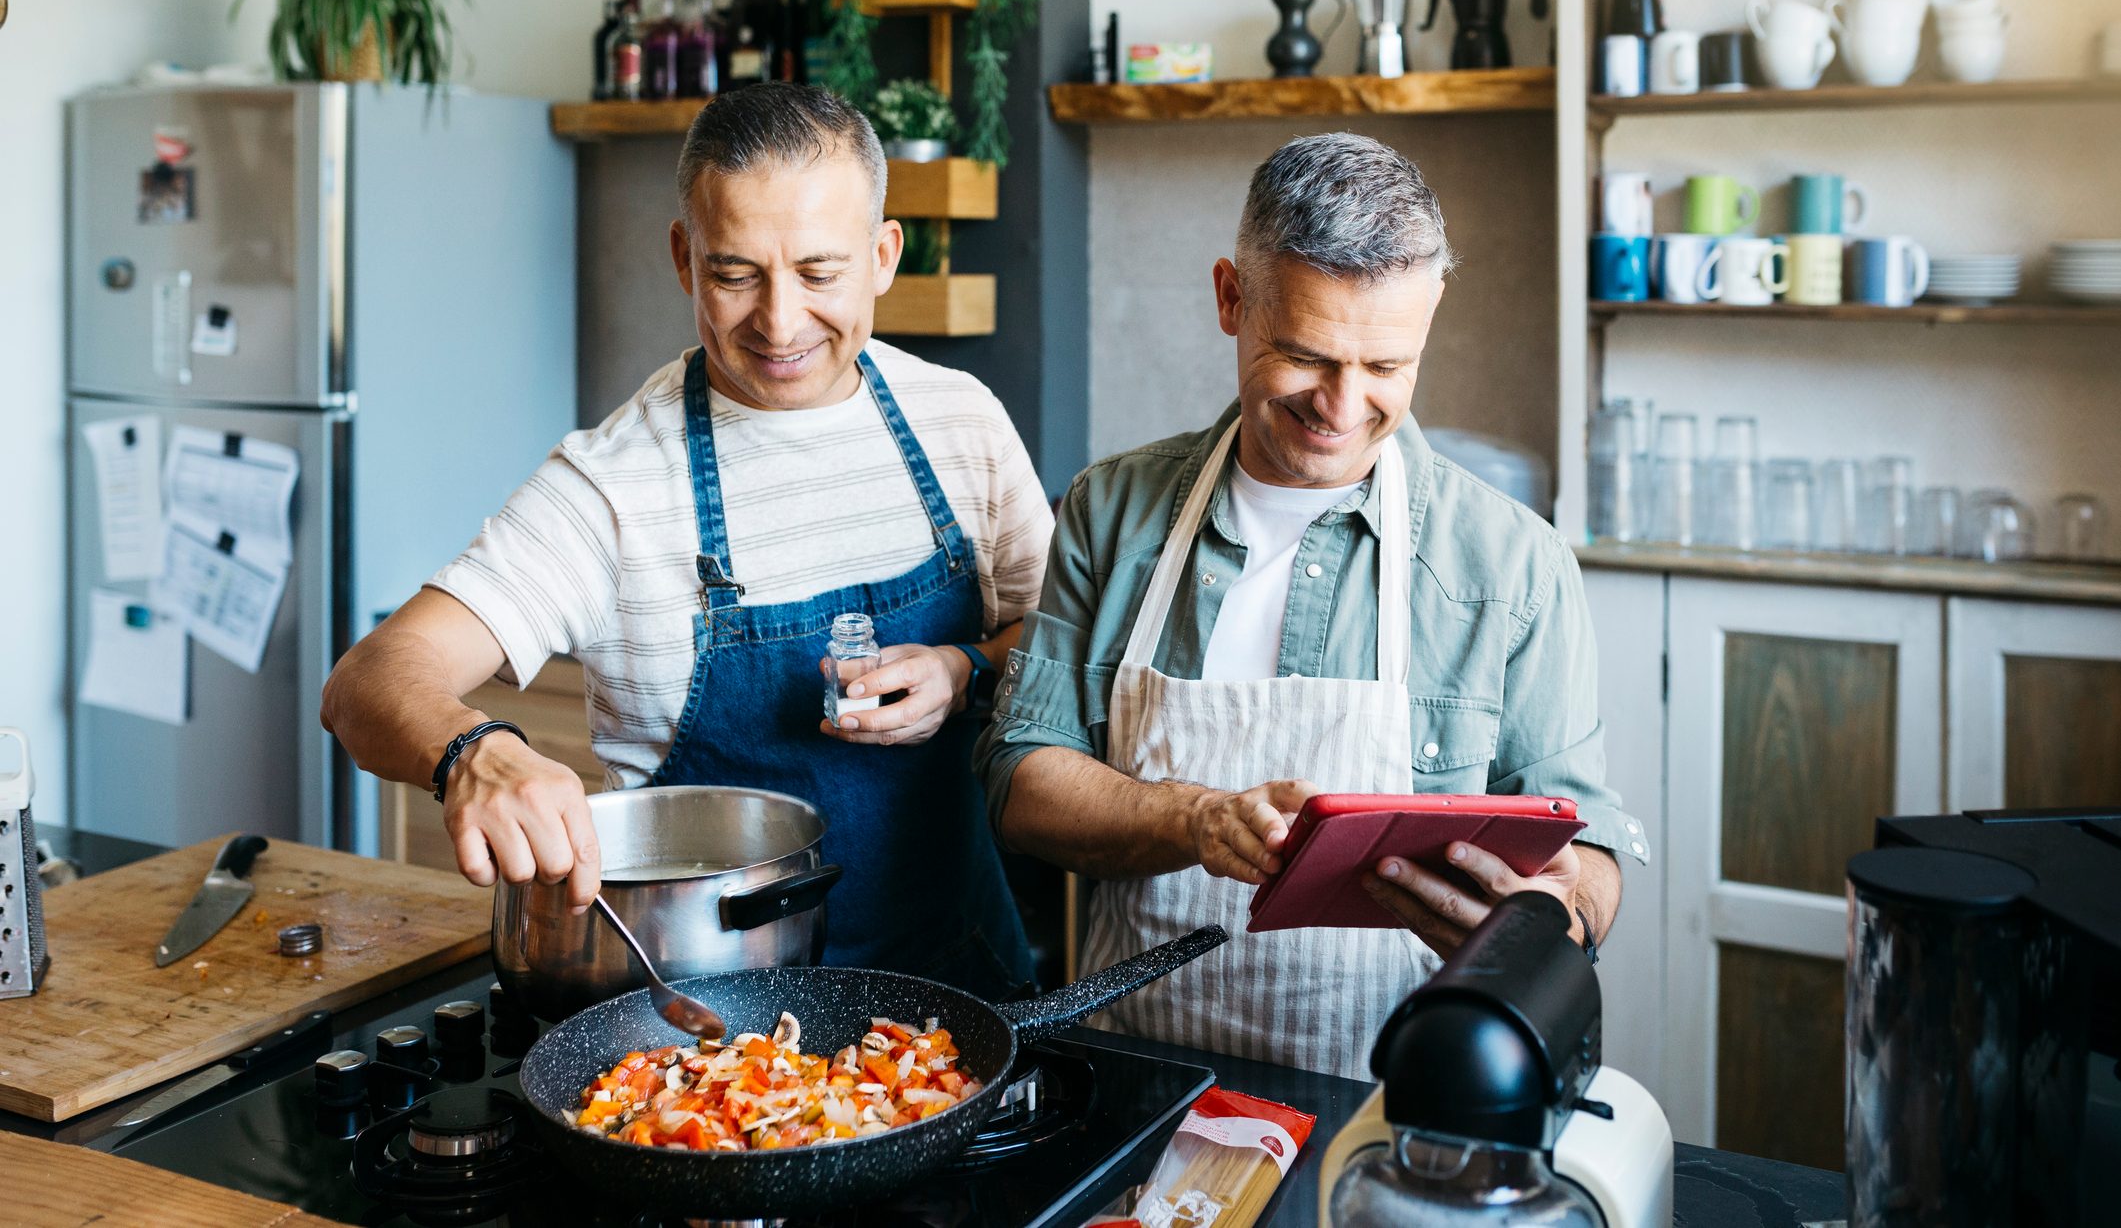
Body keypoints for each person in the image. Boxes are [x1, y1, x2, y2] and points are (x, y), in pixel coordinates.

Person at [322, 83, 1052, 998]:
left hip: (962, 992)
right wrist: (474, 750)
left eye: (819, 273)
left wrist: (964, 671)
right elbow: (367, 682)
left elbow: (1056, 641)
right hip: (707, 1032)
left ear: (882, 256)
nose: (779, 323)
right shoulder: (614, 485)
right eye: (736, 273)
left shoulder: (960, 423)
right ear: (683, 257)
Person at [971, 133, 1648, 1075]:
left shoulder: (1512, 563)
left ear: (1430, 314)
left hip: (1394, 1092)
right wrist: (1194, 822)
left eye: (1385, 367)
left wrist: (1551, 912)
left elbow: (1591, 845)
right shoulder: (1111, 510)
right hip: (1139, 1084)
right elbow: (1020, 780)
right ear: (1229, 298)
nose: (1341, 405)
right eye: (1305, 355)